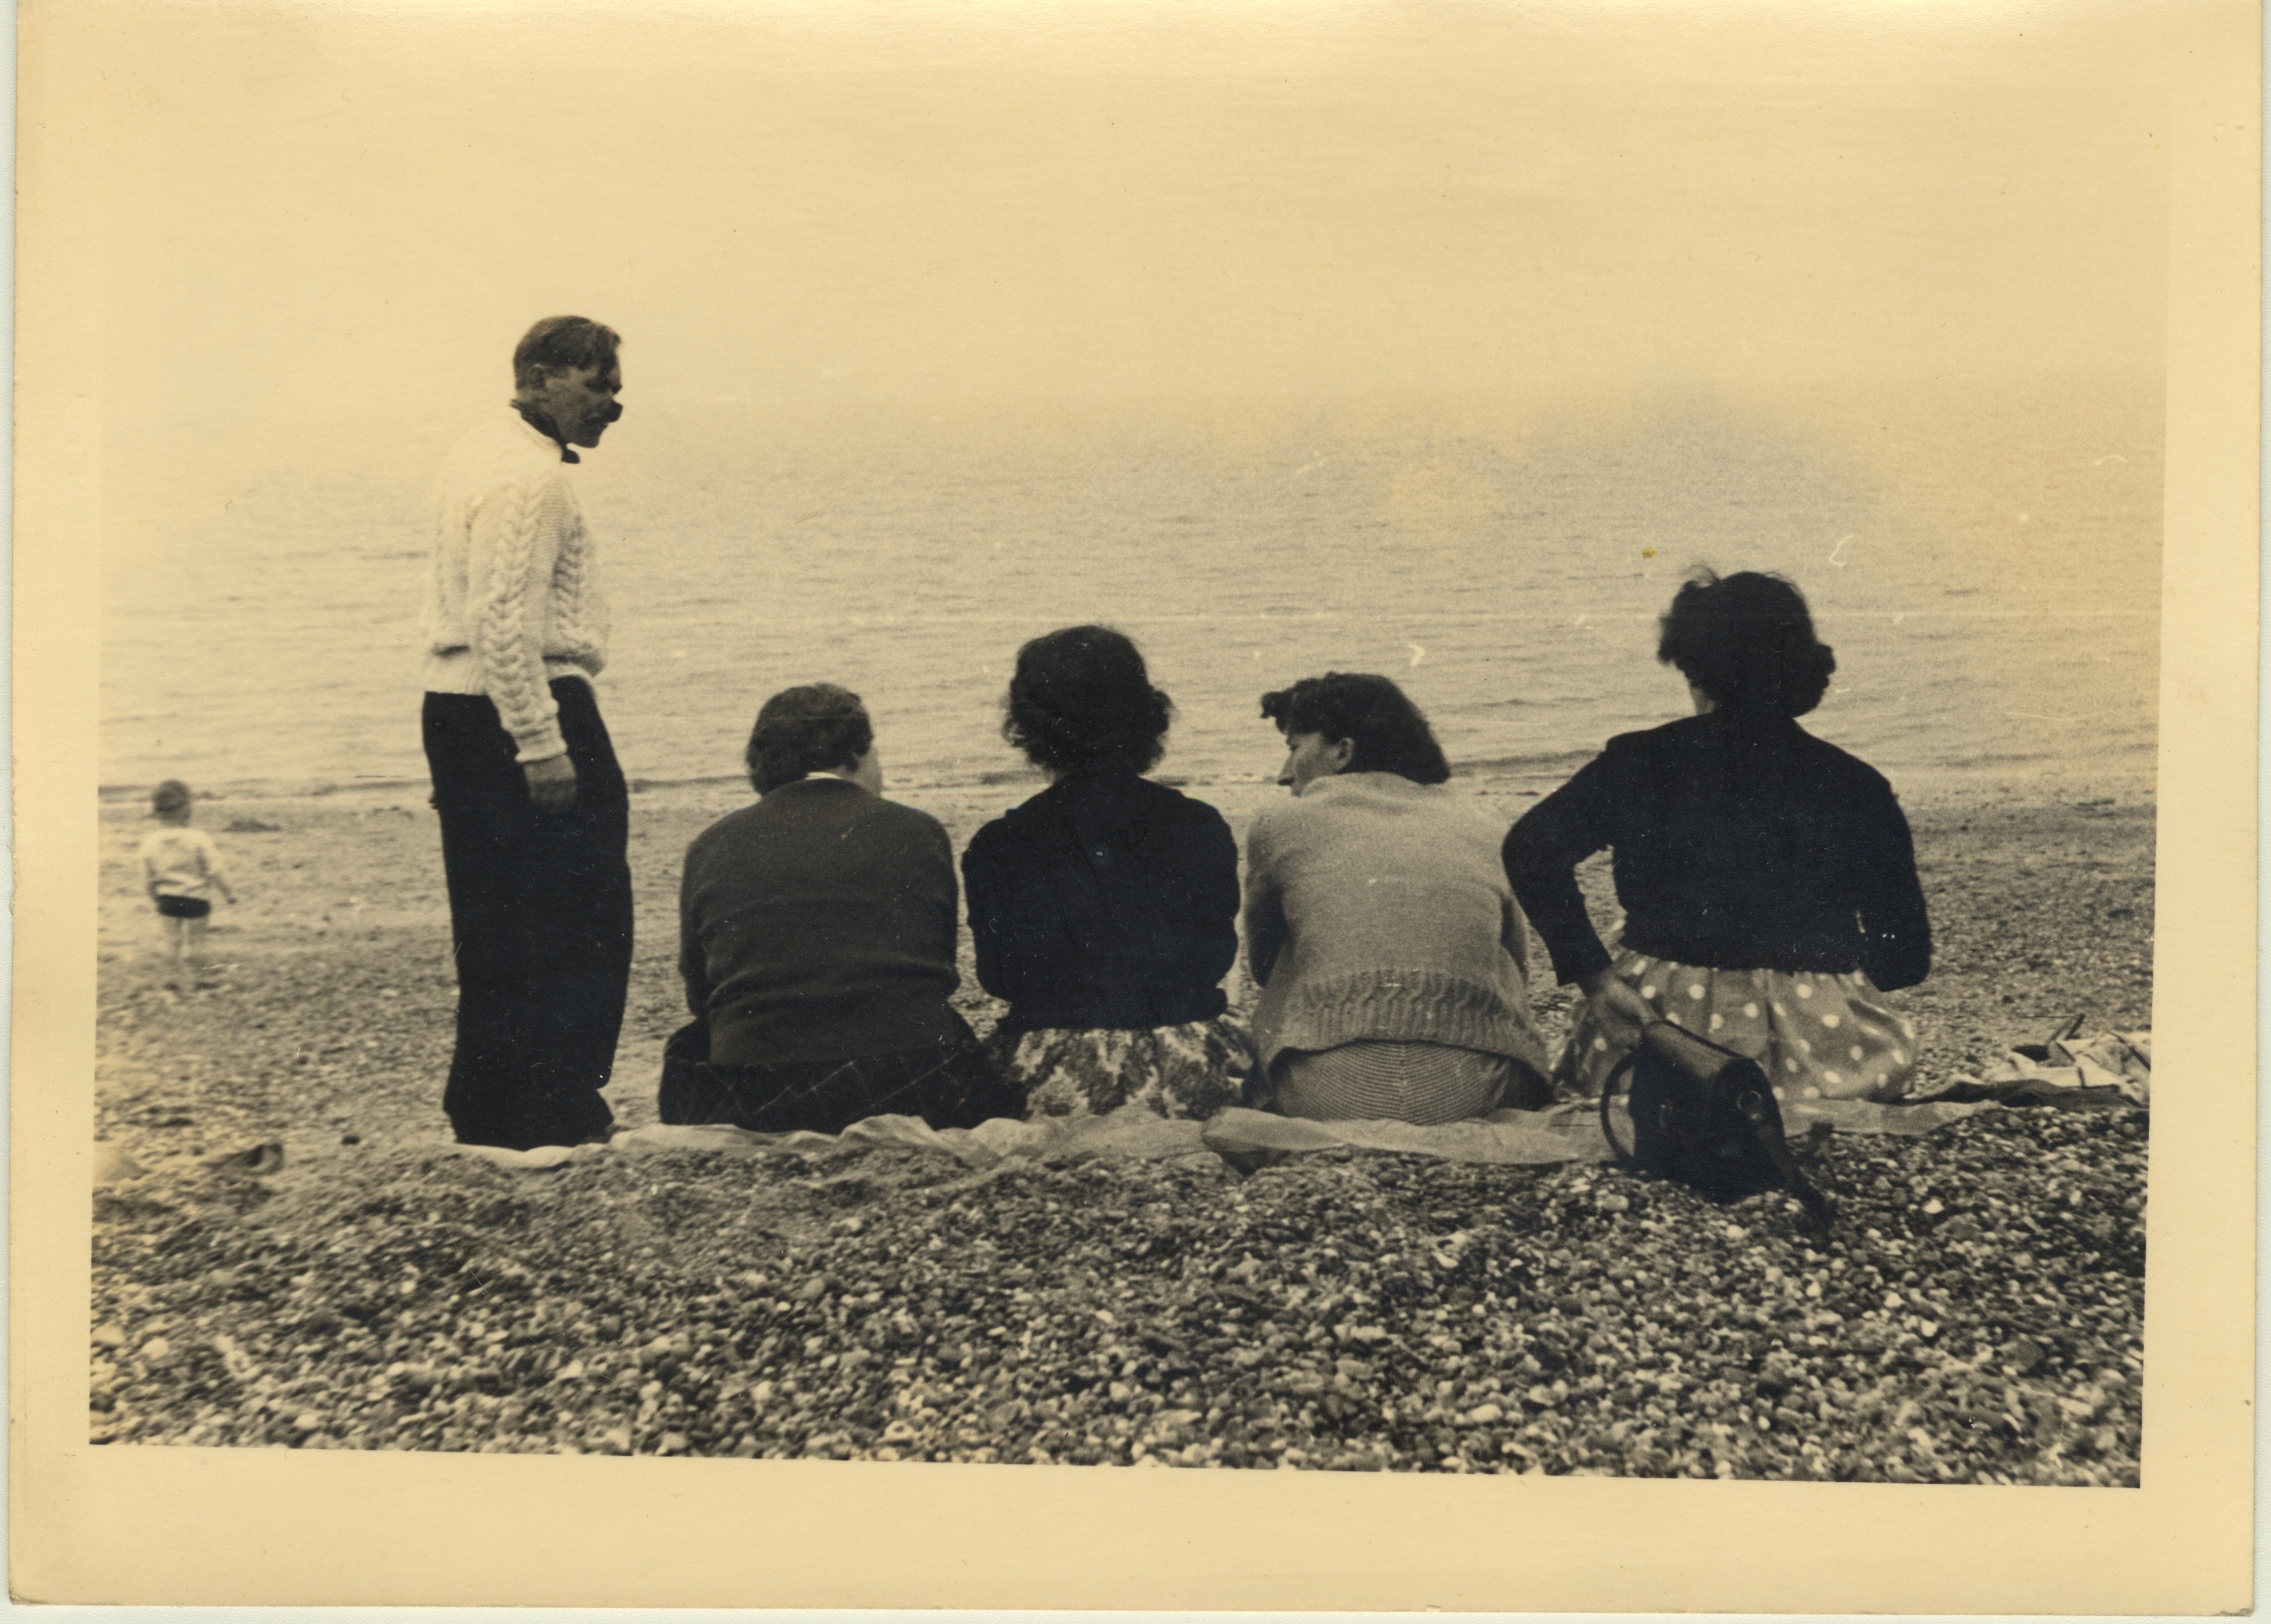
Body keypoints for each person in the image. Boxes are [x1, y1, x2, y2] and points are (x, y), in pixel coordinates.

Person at [1501, 569, 1932, 1103]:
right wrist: (1817, 960)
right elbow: (1905, 960)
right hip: (1820, 1058)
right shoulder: (1857, 785)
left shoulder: (1641, 761)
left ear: (1695, 670)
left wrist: (1598, 980)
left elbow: (1530, 849)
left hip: (1661, 1038)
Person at [419, 316, 634, 1151]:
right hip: (524, 702)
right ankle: (556, 1106)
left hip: (459, 707)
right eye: (596, 385)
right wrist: (540, 743)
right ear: (540, 378)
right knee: (583, 915)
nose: (609, 405)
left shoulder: (479, 453)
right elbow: (502, 621)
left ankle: (489, 1108)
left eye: (615, 390)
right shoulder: (528, 477)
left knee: (495, 922)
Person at [666, 684, 1018, 1133]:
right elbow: (939, 969)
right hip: (909, 1080)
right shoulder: (919, 830)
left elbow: (700, 994)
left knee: (691, 1044)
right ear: (859, 753)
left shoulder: (711, 843)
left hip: (758, 1091)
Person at [962, 626, 1249, 1119]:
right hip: (1186, 1065)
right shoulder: (1198, 824)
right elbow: (1214, 957)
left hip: (1054, 1074)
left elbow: (999, 979)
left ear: (1029, 723)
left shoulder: (1000, 842)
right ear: (1144, 713)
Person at [1242, 673, 1550, 1123]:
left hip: (1324, 1095)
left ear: (1343, 752)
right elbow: (1519, 968)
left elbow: (1261, 964)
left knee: (1296, 939)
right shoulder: (1487, 822)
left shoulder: (1278, 824)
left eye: (1294, 748)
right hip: (1478, 1092)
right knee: (1494, 946)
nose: (1284, 773)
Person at [138, 779, 236, 983]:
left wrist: (154, 898)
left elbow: (148, 877)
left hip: (168, 899)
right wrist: (229, 893)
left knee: (171, 942)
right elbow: (216, 870)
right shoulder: (198, 838)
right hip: (196, 898)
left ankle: (170, 980)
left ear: (156, 810)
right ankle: (200, 980)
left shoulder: (150, 841)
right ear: (186, 808)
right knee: (197, 942)